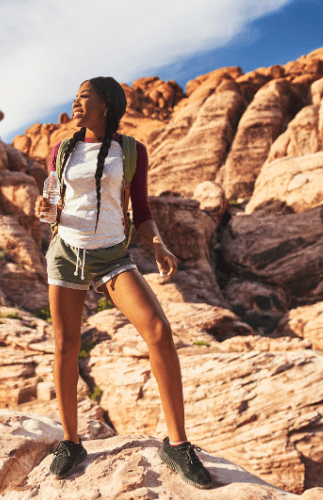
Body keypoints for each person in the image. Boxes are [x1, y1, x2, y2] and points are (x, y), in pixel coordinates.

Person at [34, 77, 212, 488]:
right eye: (76, 96)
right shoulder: (60, 151)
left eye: (83, 96)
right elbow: (55, 208)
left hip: (113, 255)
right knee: (66, 344)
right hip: (67, 255)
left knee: (159, 330)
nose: (75, 102)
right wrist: (46, 210)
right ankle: (71, 441)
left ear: (106, 104)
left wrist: (158, 245)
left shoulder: (131, 151)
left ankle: (178, 443)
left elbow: (143, 208)